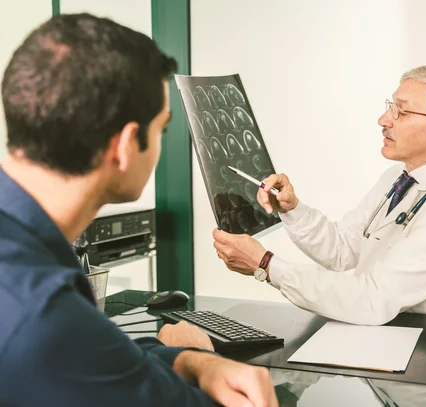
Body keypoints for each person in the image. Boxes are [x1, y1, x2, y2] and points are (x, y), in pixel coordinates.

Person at [0, 13, 277, 407]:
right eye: (161, 129)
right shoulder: (45, 316)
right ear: (126, 145)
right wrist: (205, 356)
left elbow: (96, 356)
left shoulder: (25, 255)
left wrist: (183, 359)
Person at [213, 65, 426, 325]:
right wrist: (291, 208)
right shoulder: (399, 178)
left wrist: (265, 265)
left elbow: (373, 299)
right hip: (380, 333)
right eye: (390, 107)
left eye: (401, 112)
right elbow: (343, 249)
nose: (383, 120)